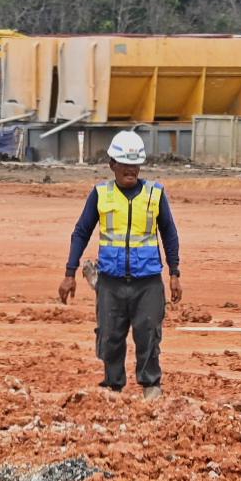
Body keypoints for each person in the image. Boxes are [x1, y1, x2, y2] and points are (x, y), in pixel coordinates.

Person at [58, 129, 183, 392]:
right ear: (112, 164)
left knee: (148, 336)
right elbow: (81, 232)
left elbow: (169, 233)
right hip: (111, 283)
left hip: (147, 282)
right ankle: (113, 387)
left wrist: (175, 273)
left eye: (135, 164)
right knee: (110, 337)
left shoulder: (154, 194)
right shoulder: (101, 194)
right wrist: (69, 272)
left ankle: (151, 386)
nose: (131, 170)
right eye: (125, 164)